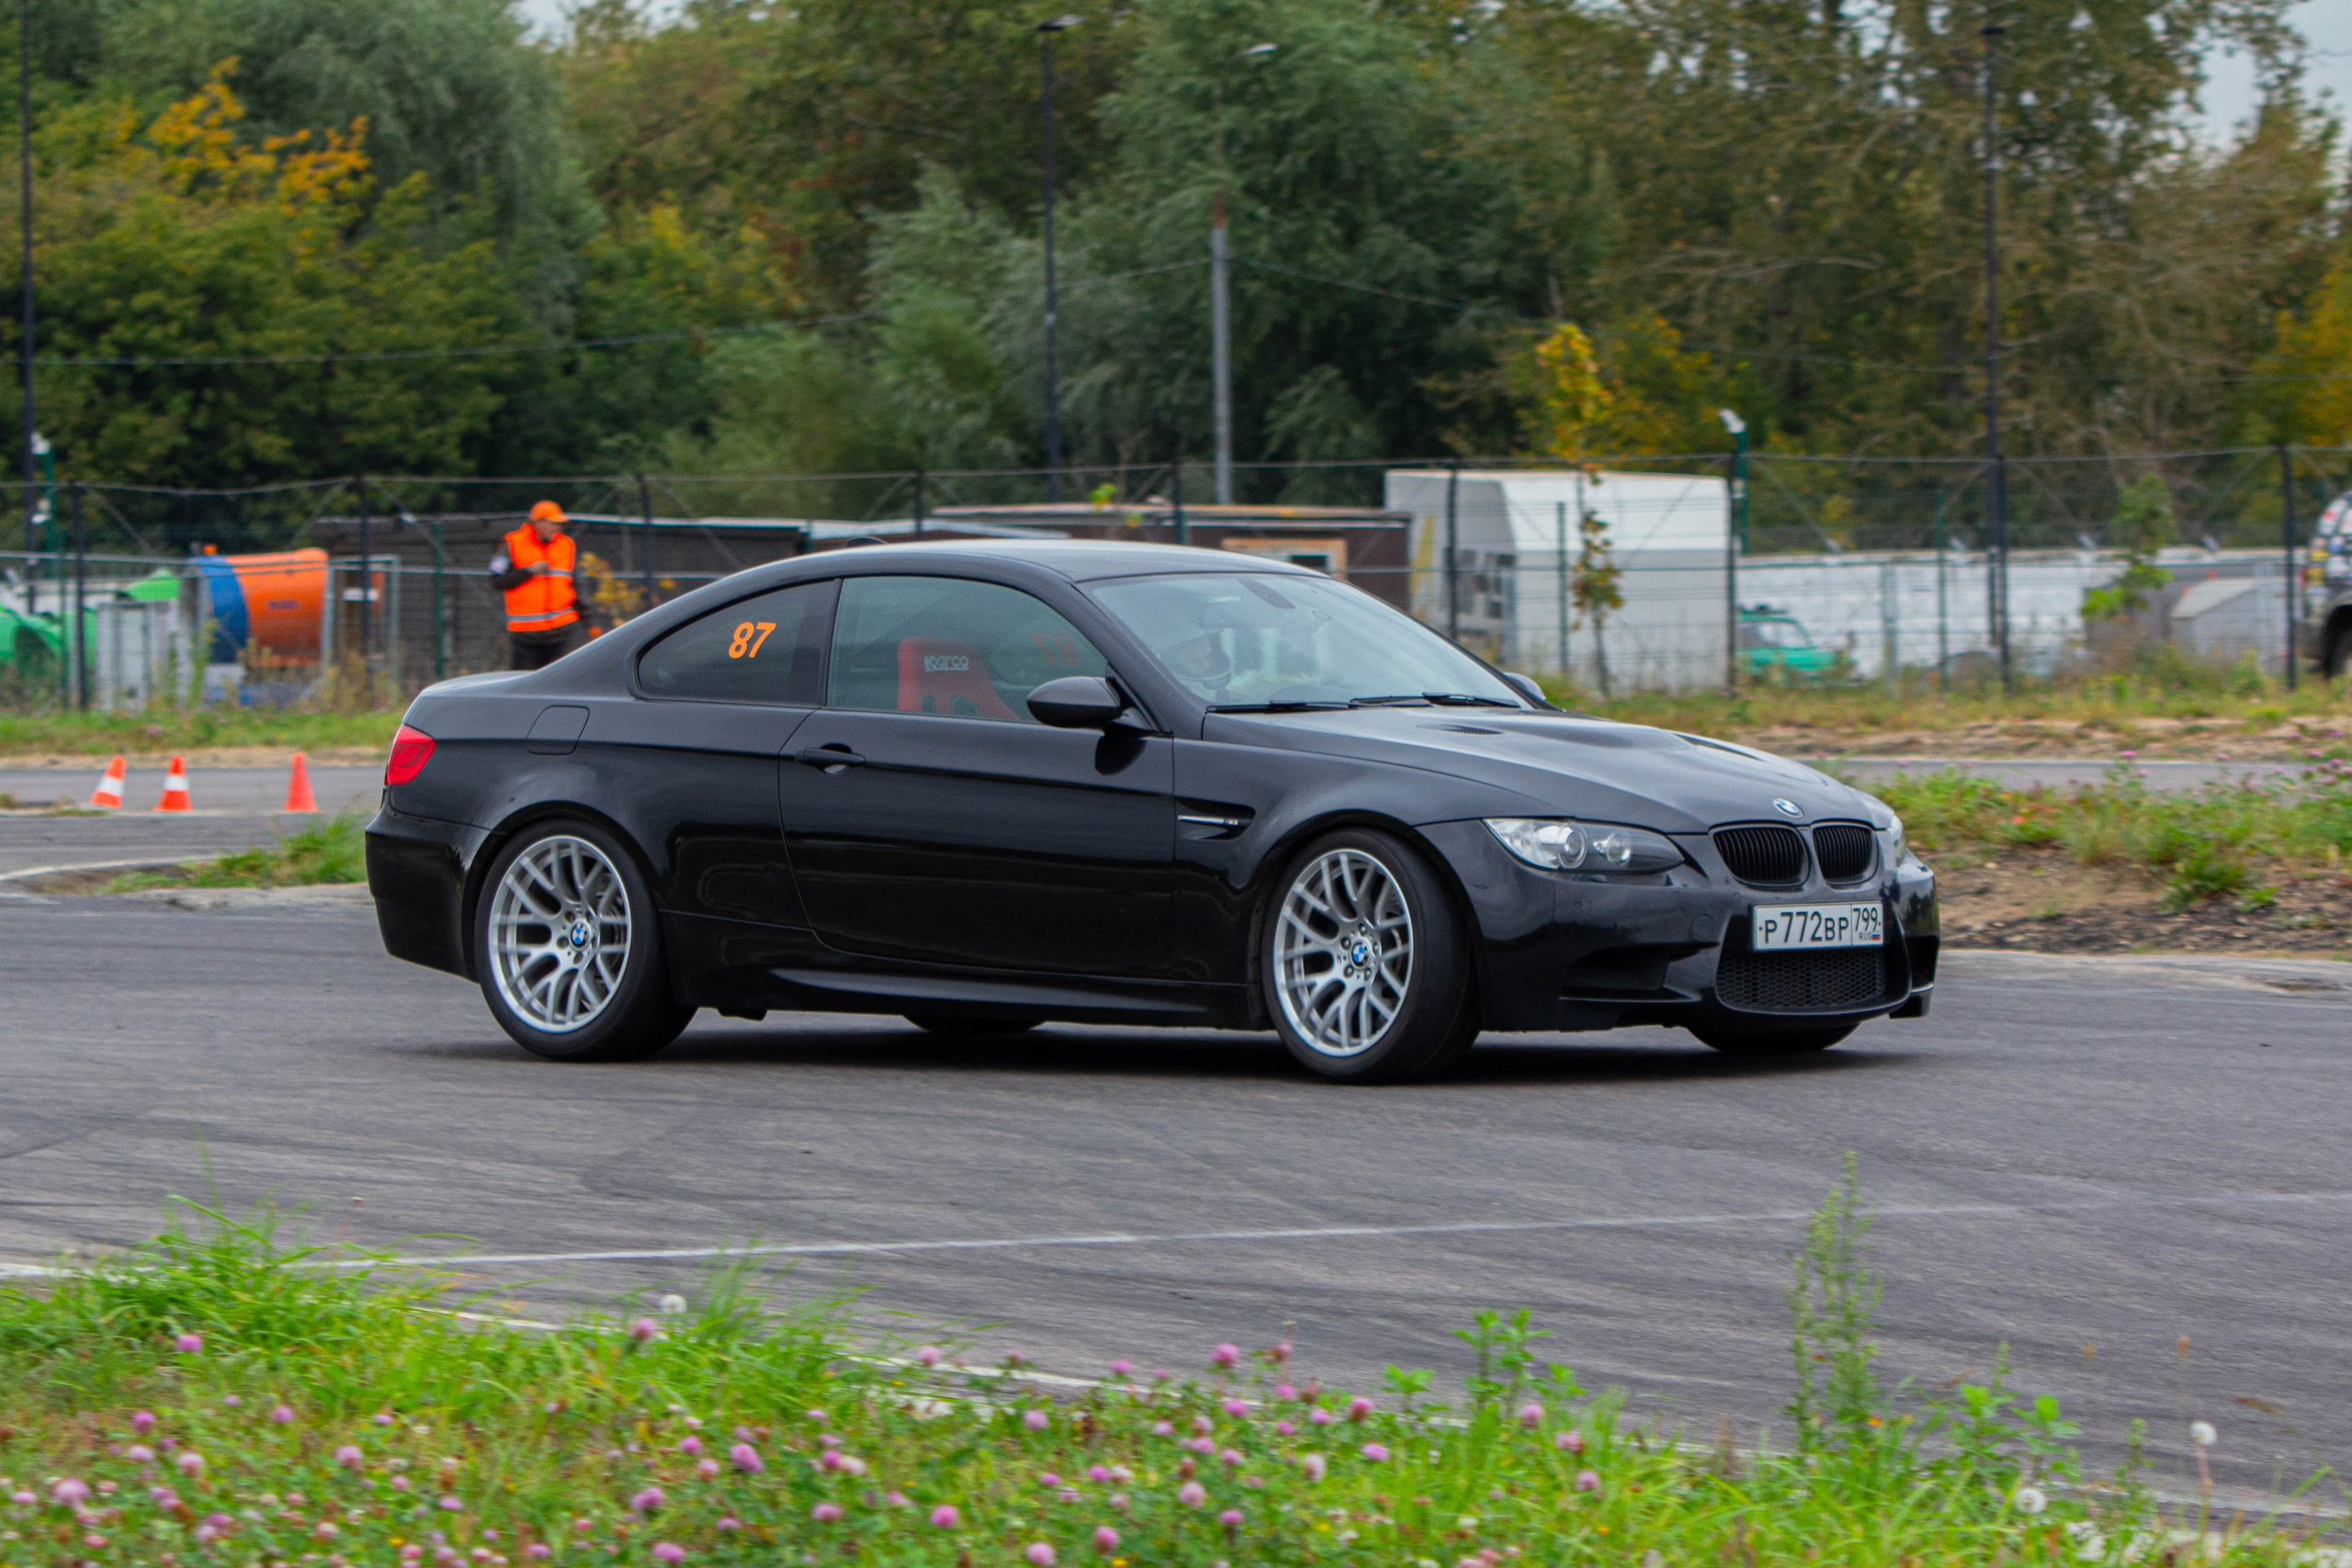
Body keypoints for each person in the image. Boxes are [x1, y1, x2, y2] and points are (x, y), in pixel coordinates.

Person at [491, 501, 581, 670]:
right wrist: (528, 572)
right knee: (524, 685)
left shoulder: (566, 545)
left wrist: (590, 620)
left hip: (560, 632)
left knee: (559, 683)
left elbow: (577, 585)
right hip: (526, 636)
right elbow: (496, 581)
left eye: (559, 524)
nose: (558, 528)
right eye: (554, 523)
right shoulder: (511, 544)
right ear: (538, 523)